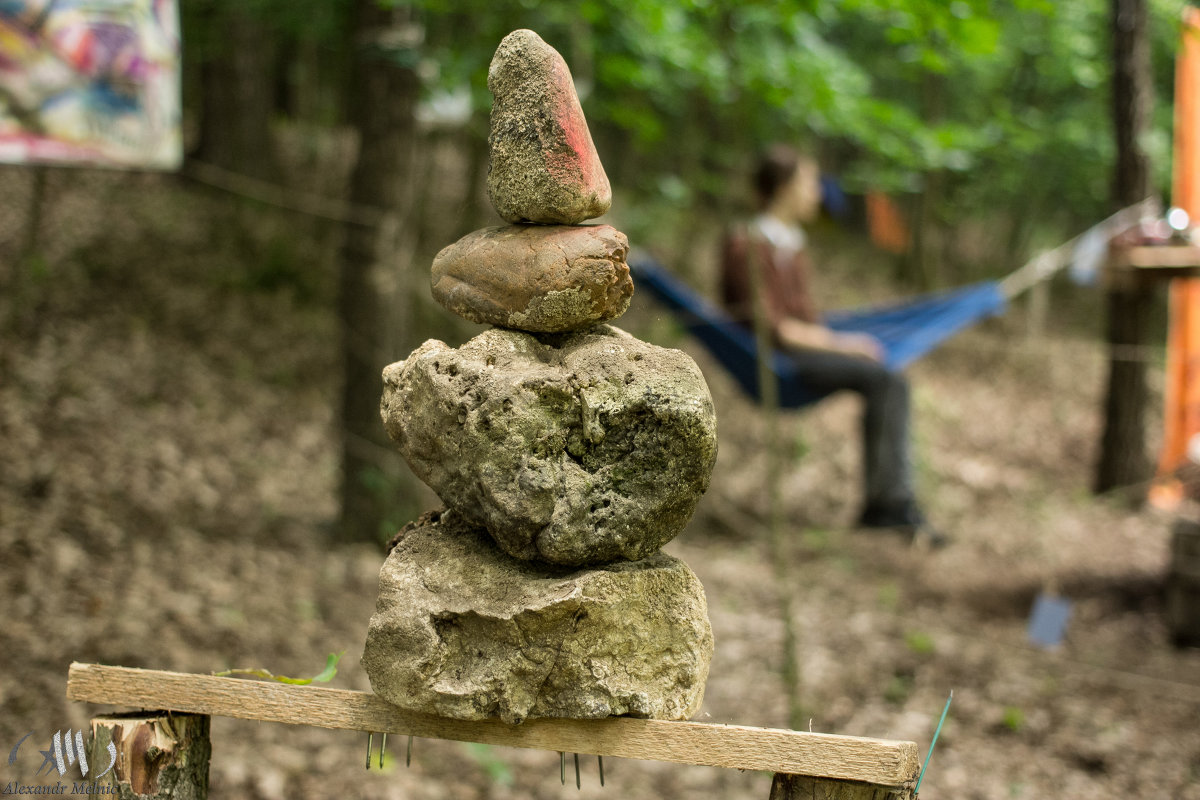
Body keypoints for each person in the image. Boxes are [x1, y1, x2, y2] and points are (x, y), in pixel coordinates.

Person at [720, 144, 942, 543]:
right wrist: (845, 344)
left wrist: (838, 339)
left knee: (888, 380)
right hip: (773, 362)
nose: (818, 193)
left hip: (799, 352)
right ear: (785, 187)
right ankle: (888, 503)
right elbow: (780, 330)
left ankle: (889, 500)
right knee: (887, 381)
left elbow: (805, 319)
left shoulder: (791, 244)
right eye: (810, 183)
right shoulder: (747, 244)